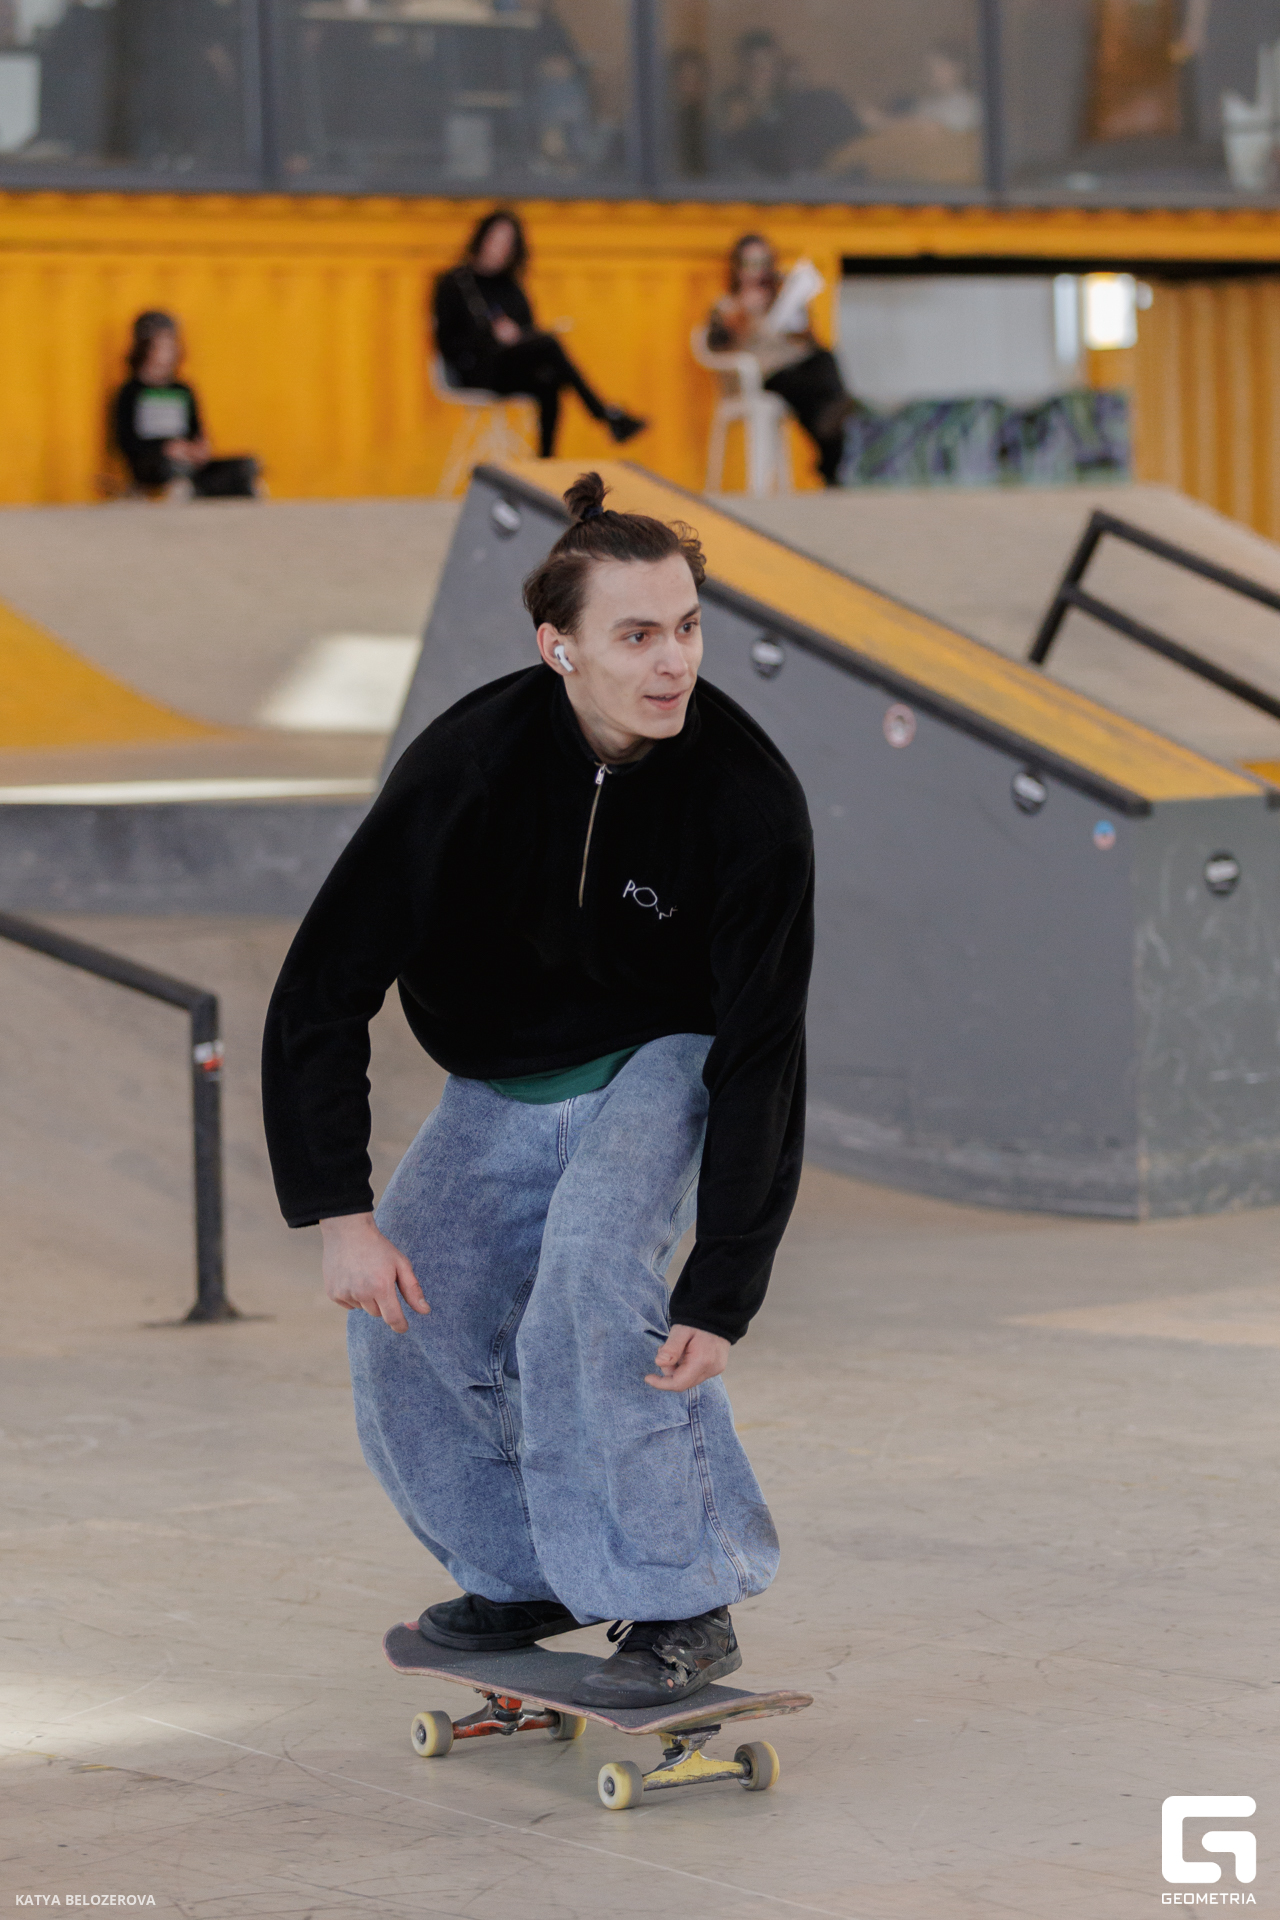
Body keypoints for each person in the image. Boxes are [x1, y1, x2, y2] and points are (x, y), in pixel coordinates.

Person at [262, 472, 814, 1707]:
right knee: (412, 1306)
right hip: (500, 1073)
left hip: (663, 1053)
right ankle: (526, 1572)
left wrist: (722, 1283)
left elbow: (761, 1048)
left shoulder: (746, 800)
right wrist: (340, 1213)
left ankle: (680, 1599)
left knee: (588, 1283)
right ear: (556, 646)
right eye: (636, 635)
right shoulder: (469, 765)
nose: (672, 662)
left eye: (687, 627)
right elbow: (321, 986)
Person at [432, 211, 646, 459]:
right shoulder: (454, 283)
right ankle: (605, 414)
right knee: (550, 344)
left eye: (507, 243)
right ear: (481, 238)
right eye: (495, 240)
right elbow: (446, 342)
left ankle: (546, 461)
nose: (499, 249)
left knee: (549, 378)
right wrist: (491, 337)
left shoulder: (511, 286)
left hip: (507, 370)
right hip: (474, 369)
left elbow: (528, 334)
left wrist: (516, 335)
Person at [707, 234, 856, 487]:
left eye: (763, 263)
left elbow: (811, 341)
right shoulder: (726, 305)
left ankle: (834, 420)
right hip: (765, 375)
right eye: (750, 264)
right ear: (737, 268)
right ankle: (830, 462)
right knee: (815, 401)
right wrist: (744, 312)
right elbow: (716, 346)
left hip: (797, 368)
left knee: (824, 361)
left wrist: (796, 313)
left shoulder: (781, 296)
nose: (757, 271)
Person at [112, 310, 261, 499]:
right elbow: (125, 441)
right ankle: (189, 489)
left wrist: (198, 449)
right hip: (155, 463)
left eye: (172, 344)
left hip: (188, 461)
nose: (170, 351)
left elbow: (196, 430)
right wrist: (165, 448)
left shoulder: (183, 389)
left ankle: (197, 488)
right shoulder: (131, 391)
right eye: (162, 345)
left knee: (245, 466)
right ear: (145, 347)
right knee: (171, 468)